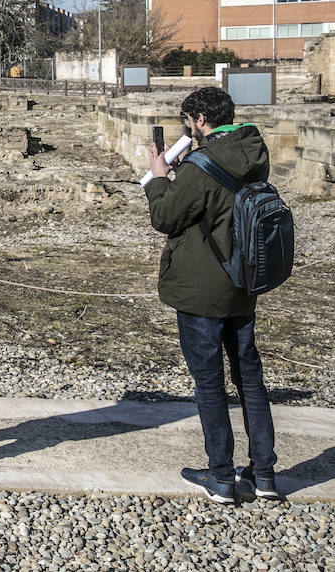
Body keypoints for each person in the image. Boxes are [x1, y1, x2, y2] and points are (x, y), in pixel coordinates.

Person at [146, 86, 280, 505]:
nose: (190, 128)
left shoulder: (201, 165)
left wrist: (159, 178)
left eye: (190, 122)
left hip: (201, 288)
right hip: (243, 280)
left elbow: (166, 217)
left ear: (200, 121)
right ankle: (265, 474)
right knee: (250, 380)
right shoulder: (253, 152)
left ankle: (221, 475)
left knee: (209, 383)